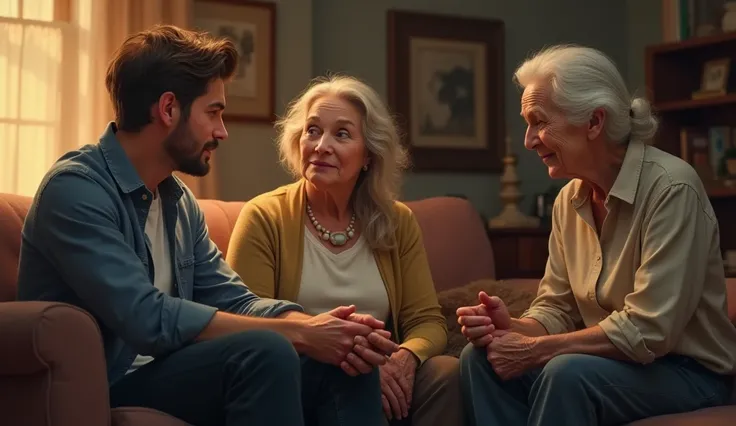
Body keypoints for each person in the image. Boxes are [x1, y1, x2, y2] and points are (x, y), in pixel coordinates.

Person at [16, 25, 399, 426]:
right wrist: (301, 336)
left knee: (348, 360)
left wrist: (326, 329)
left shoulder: (178, 201)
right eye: (213, 112)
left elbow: (235, 299)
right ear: (168, 109)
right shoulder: (75, 190)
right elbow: (147, 317)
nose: (222, 131)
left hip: (169, 371)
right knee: (266, 351)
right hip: (107, 382)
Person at [457, 44, 736, 426]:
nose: (529, 140)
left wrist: (535, 350)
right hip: (610, 363)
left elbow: (649, 330)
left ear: (594, 121)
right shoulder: (568, 200)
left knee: (566, 374)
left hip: (688, 373)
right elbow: (557, 307)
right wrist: (511, 329)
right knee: (479, 359)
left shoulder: (673, 188)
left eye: (539, 121)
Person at [225, 75, 462, 426]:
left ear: (368, 155)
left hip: (382, 371)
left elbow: (426, 321)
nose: (321, 145)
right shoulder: (264, 216)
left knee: (446, 372)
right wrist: (353, 362)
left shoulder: (397, 222)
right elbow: (248, 323)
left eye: (342, 134)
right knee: (351, 377)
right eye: (312, 130)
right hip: (296, 372)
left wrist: (404, 360)